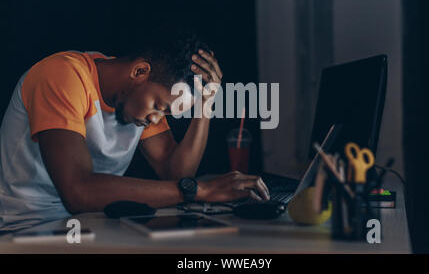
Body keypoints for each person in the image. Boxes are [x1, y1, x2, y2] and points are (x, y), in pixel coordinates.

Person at [0, 30, 269, 231]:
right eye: (159, 107)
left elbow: (176, 174)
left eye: (165, 114)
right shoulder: (62, 75)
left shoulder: (139, 101)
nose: (155, 120)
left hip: (88, 227)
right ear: (140, 71)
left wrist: (206, 105)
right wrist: (199, 190)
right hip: (26, 230)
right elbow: (78, 192)